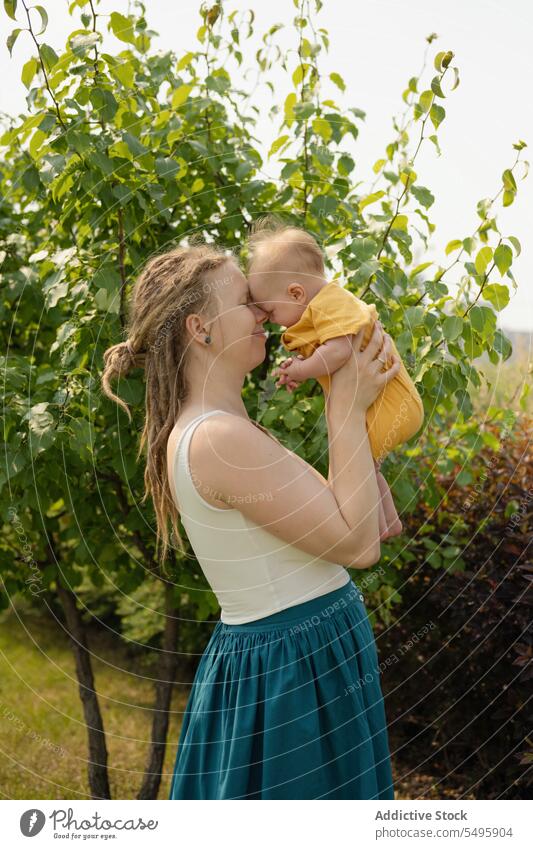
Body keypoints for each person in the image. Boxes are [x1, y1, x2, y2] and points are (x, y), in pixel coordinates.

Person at [101, 241, 401, 800]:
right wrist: (346, 406)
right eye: (246, 301)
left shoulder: (221, 427)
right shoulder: (217, 438)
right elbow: (359, 545)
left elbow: (352, 512)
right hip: (291, 673)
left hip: (299, 657)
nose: (265, 311)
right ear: (201, 327)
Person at [247, 219, 424, 540]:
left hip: (391, 405)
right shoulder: (317, 311)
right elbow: (328, 357)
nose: (268, 319)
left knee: (352, 462)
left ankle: (368, 526)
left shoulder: (329, 302)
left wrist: (302, 369)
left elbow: (340, 351)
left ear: (296, 293)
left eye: (270, 311)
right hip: (381, 404)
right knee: (366, 465)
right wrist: (303, 370)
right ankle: (387, 523)